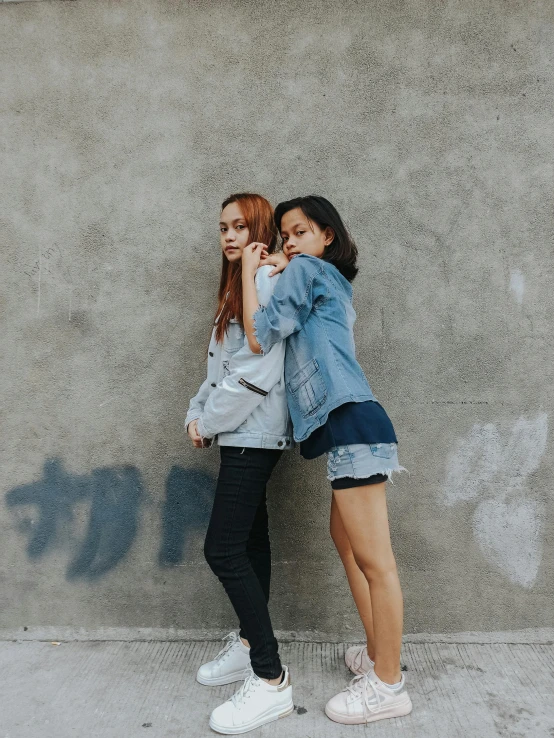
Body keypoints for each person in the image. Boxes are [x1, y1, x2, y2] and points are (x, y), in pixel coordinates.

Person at [240, 195, 412, 725]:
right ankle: (376, 653)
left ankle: (388, 684)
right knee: (347, 546)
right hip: (352, 427)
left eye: (299, 231)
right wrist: (288, 263)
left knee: (377, 563)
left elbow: (259, 333)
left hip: (352, 426)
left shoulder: (307, 270)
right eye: (284, 235)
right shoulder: (327, 278)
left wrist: (251, 271)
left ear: (326, 235)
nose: (287, 242)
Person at [185, 193, 294, 734]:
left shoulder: (268, 282)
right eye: (222, 227)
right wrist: (196, 412)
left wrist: (207, 422)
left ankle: (271, 679)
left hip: (255, 432)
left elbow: (256, 370)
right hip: (240, 434)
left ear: (263, 230)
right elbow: (218, 367)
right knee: (250, 542)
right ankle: (252, 644)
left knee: (222, 549)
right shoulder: (237, 286)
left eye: (240, 226)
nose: (228, 236)